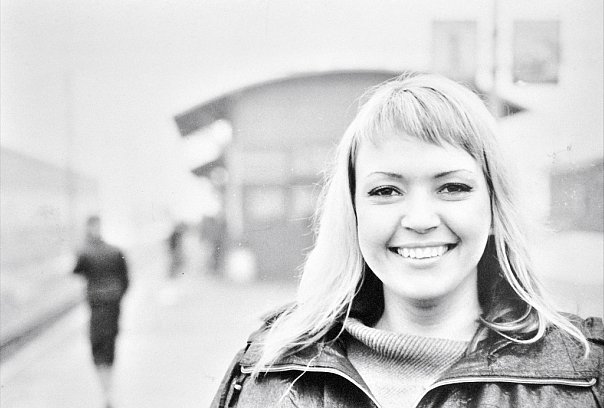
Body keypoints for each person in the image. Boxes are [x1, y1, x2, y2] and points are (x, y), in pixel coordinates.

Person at [210, 73, 603, 408]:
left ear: (494, 208)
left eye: (452, 187)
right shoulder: (268, 371)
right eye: (386, 191)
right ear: (353, 214)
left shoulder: (585, 375)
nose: (419, 220)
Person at [74, 215, 129, 408]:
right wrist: (117, 296)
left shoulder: (85, 252)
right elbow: (126, 280)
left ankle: (105, 389)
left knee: (97, 346)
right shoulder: (116, 251)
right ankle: (108, 389)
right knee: (110, 343)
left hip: (97, 306)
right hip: (113, 305)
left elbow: (76, 271)